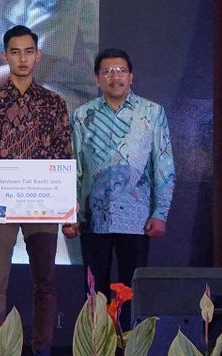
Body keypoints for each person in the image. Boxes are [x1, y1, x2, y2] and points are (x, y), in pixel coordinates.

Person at [0, 25, 72, 356]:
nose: (23, 58)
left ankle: (42, 349)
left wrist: (66, 208)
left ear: (38, 56)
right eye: (15, 52)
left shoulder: (54, 103)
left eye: (29, 51)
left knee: (45, 282)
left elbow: (63, 156)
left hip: (42, 205)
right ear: (4, 56)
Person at [62, 48, 175, 326]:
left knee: (132, 291)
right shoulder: (81, 116)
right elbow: (73, 168)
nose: (115, 77)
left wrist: (160, 213)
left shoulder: (151, 113)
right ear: (96, 79)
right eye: (107, 72)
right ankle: (96, 347)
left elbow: (163, 165)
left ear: (131, 77)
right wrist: (71, 216)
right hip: (92, 219)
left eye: (121, 71)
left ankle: (130, 345)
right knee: (93, 292)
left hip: (137, 220)